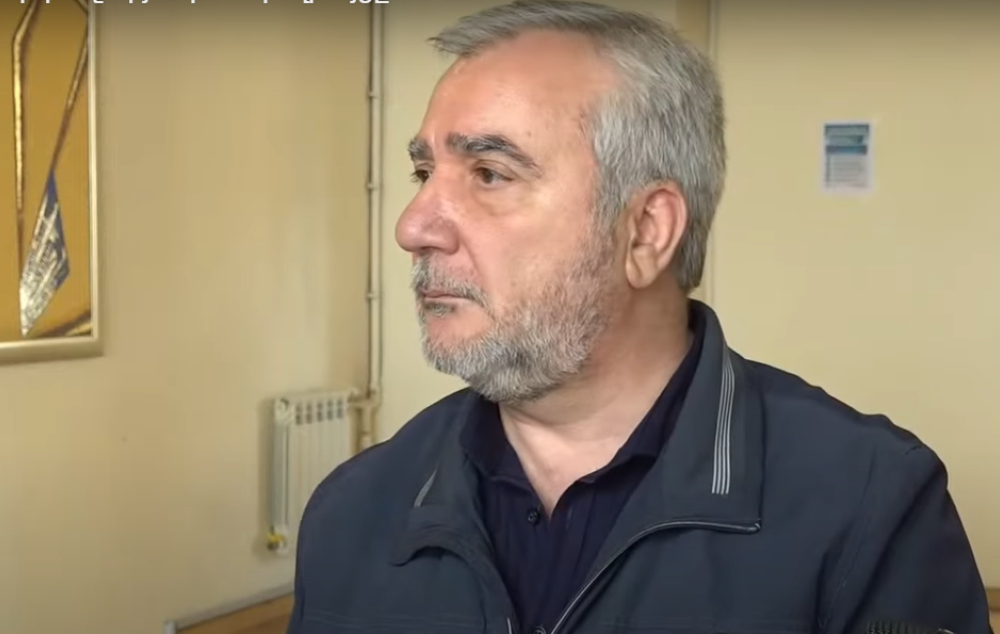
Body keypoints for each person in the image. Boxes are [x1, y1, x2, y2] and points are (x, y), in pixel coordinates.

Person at [287, 2, 993, 633]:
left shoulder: (870, 503)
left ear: (647, 231)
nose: (413, 227)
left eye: (490, 174)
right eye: (423, 174)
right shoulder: (354, 511)